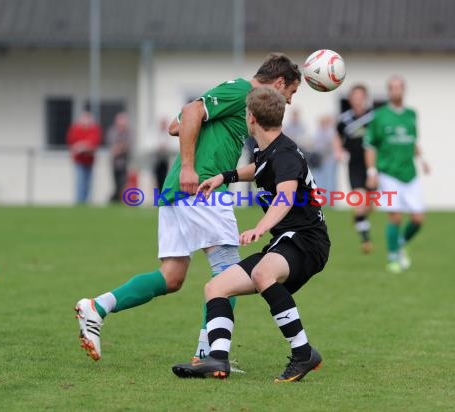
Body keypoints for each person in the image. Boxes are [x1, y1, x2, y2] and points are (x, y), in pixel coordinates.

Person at [74, 53, 302, 363]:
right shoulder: (242, 91)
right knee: (229, 274)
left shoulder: (234, 95)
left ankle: (96, 307)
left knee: (171, 277)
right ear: (279, 83)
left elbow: (174, 125)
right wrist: (190, 167)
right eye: (291, 92)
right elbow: (191, 110)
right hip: (202, 189)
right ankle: (207, 354)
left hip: (179, 192)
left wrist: (194, 151)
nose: (288, 101)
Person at [172, 87, 330, 382]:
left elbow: (285, 196)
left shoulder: (285, 155)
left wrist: (260, 227)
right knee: (216, 287)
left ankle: (303, 352)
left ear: (251, 118)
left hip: (307, 241)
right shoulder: (269, 148)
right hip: (287, 240)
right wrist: (224, 176)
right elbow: (259, 168)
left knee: (262, 274)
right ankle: (217, 358)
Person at [364, 75, 430, 274]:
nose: (396, 90)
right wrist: (372, 171)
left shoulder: (411, 114)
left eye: (399, 87)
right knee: (395, 217)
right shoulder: (379, 116)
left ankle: (400, 243)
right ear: (388, 91)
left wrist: (423, 160)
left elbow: (412, 141)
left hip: (409, 173)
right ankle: (393, 258)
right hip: (389, 173)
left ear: (404, 89)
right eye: (392, 87)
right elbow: (369, 145)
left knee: (418, 218)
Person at [334, 84, 375, 253]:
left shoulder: (373, 118)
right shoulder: (344, 119)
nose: (357, 100)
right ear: (350, 99)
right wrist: (338, 151)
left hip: (373, 165)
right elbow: (337, 136)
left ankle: (360, 218)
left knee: (370, 204)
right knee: (360, 202)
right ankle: (366, 240)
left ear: (365, 98)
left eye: (360, 97)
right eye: (354, 97)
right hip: (355, 165)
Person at [66, 111, 102, 204]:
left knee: (88, 183)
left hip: (90, 160)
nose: (86, 121)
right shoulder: (75, 129)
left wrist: (84, 146)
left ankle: (86, 202)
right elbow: (72, 143)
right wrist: (81, 146)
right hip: (79, 160)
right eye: (84, 119)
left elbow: (94, 143)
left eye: (88, 119)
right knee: (80, 182)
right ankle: (79, 201)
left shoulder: (94, 129)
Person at [107, 112, 133, 203]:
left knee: (122, 182)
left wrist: (119, 148)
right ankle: (115, 199)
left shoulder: (128, 132)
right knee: (116, 182)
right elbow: (111, 143)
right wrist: (118, 148)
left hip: (125, 161)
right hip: (114, 162)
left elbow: (128, 145)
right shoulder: (112, 131)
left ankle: (116, 199)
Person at [311, 115, 338, 200]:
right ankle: (321, 199)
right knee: (319, 181)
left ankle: (330, 200)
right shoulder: (318, 132)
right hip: (319, 160)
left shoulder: (331, 132)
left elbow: (332, 145)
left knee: (330, 181)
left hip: (329, 160)